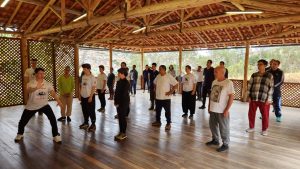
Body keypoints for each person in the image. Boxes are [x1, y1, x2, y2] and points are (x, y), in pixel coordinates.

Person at [15, 68, 63, 143]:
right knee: (23, 121)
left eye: (43, 73)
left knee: (53, 119)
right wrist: (36, 88)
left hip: (44, 105)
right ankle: (20, 134)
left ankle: (55, 135)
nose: (42, 75)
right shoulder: (31, 83)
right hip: (32, 106)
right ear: (36, 74)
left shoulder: (47, 83)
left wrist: (58, 101)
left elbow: (52, 93)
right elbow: (28, 90)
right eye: (40, 73)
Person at [206, 66, 234, 152]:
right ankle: (215, 140)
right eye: (214, 71)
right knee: (212, 126)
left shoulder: (228, 83)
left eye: (216, 72)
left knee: (224, 127)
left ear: (222, 73)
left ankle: (225, 144)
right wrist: (209, 106)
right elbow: (212, 95)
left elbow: (231, 97)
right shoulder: (214, 82)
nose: (214, 73)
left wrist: (226, 110)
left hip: (222, 110)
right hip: (213, 109)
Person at [246, 59, 273, 136]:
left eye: (260, 64)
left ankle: (264, 129)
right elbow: (249, 86)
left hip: (264, 98)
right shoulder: (254, 75)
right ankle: (251, 127)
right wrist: (249, 96)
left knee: (265, 115)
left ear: (265, 65)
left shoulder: (269, 76)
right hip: (253, 97)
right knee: (251, 113)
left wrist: (269, 99)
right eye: (258, 64)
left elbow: (271, 88)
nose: (258, 66)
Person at [152, 65, 178, 131]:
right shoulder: (158, 76)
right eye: (159, 69)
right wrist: (155, 90)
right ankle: (158, 122)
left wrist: (170, 92)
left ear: (164, 70)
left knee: (167, 112)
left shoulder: (168, 76)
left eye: (160, 69)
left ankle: (168, 123)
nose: (159, 70)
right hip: (158, 97)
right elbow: (154, 83)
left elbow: (176, 84)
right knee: (158, 111)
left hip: (166, 98)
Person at [79, 63, 97, 132]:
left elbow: (93, 88)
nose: (84, 70)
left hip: (89, 96)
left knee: (91, 111)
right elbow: (81, 86)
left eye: (85, 69)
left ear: (89, 69)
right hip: (83, 96)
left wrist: (91, 97)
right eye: (83, 69)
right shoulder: (83, 76)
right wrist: (80, 95)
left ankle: (93, 124)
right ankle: (86, 122)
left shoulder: (92, 77)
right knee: (84, 110)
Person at [114, 68, 130, 141]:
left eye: (119, 73)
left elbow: (123, 94)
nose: (118, 74)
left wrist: (119, 103)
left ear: (123, 74)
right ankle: (120, 132)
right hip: (118, 102)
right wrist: (115, 101)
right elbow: (116, 93)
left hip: (124, 102)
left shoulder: (126, 83)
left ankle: (123, 133)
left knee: (122, 117)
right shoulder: (119, 82)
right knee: (120, 117)